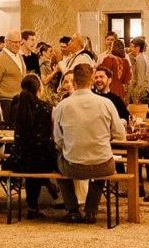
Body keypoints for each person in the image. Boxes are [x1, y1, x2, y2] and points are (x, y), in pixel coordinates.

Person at [52, 64, 127, 224]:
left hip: (73, 166)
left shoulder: (62, 106)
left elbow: (58, 140)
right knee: (101, 170)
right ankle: (91, 210)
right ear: (92, 80)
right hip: (103, 164)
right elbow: (120, 135)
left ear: (75, 82)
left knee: (57, 164)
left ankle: (72, 209)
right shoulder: (106, 103)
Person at [4, 74, 58, 218]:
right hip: (43, 158)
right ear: (39, 89)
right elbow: (53, 133)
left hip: (20, 158)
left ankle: (33, 206)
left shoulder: (16, 107)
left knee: (31, 162)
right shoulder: (47, 108)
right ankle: (46, 185)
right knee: (44, 160)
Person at [0, 30, 25, 125]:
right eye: (15, 42)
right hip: (6, 101)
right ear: (7, 42)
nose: (17, 45)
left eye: (19, 42)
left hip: (19, 100)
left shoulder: (19, 56)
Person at [127, 37, 149, 104]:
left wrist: (136, 94)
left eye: (132, 46)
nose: (130, 49)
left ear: (137, 48)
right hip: (142, 90)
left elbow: (140, 78)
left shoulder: (139, 59)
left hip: (140, 92)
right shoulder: (144, 57)